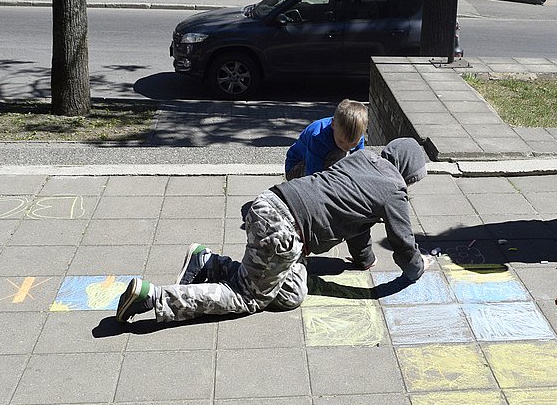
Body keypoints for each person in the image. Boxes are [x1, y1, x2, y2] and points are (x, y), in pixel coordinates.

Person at [116, 138, 432, 324]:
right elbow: (403, 241)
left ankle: (208, 263)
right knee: (247, 297)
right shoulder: (394, 189)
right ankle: (153, 298)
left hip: (272, 202)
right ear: (408, 173)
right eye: (413, 180)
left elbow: (358, 223)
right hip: (284, 230)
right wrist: (416, 268)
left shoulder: (363, 157)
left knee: (292, 295)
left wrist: (364, 259)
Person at [284, 99, 368, 180]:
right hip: (296, 168)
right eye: (341, 141)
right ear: (333, 124)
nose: (347, 147)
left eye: (354, 144)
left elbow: (359, 161)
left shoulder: (357, 133)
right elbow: (312, 175)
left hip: (322, 159)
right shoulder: (318, 138)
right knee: (339, 153)